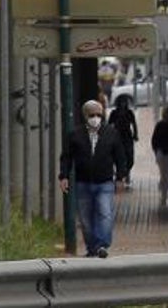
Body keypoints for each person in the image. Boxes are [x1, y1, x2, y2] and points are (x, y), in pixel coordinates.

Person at [58, 99, 128, 258]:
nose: (95, 118)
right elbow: (67, 157)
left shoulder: (111, 133)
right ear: (85, 116)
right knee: (86, 219)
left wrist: (120, 177)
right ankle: (92, 248)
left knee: (105, 213)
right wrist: (64, 176)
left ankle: (102, 244)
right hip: (83, 183)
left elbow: (120, 156)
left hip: (104, 182)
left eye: (98, 114)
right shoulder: (74, 135)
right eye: (92, 115)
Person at [107, 97, 139, 188]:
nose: (123, 104)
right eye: (121, 102)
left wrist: (136, 134)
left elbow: (134, 124)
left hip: (128, 137)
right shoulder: (114, 113)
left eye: (124, 102)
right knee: (118, 157)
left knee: (130, 157)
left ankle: (126, 173)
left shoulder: (129, 113)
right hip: (117, 137)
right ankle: (120, 176)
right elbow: (109, 125)